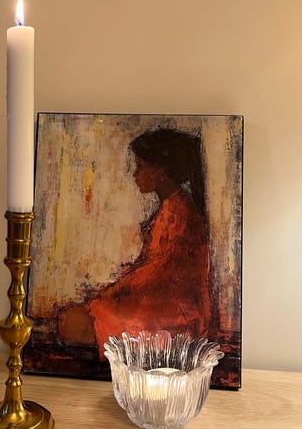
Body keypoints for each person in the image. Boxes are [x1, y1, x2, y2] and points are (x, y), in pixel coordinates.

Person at [58, 128, 212, 357]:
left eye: (140, 166)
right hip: (156, 304)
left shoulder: (179, 214)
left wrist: (113, 291)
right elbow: (148, 268)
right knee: (73, 318)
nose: (134, 174)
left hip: (174, 316)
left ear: (160, 171)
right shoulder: (170, 208)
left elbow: (155, 274)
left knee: (74, 323)